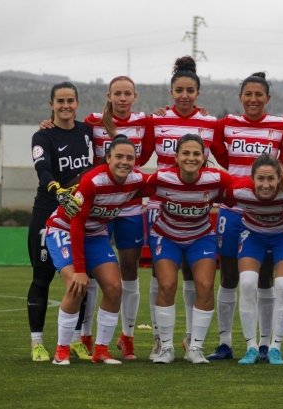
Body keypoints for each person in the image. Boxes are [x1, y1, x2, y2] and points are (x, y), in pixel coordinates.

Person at [207, 72, 283, 361]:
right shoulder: (226, 125)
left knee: (266, 278)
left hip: (267, 212)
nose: (253, 99)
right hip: (233, 211)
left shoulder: (280, 126)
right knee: (230, 276)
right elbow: (219, 154)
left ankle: (266, 344)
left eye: (259, 95)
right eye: (248, 94)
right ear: (240, 97)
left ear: (267, 98)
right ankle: (226, 343)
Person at [46, 136, 148, 365]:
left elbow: (164, 184)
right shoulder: (92, 180)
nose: (124, 162)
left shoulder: (137, 180)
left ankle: (101, 350)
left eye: (130, 158)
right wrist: (81, 270)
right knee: (76, 286)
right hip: (65, 229)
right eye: (119, 156)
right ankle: (61, 349)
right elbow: (77, 225)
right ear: (108, 158)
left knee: (114, 287)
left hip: (96, 234)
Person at [146, 56, 220, 360]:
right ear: (171, 91)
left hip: (197, 209)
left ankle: (192, 342)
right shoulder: (157, 120)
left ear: (198, 94)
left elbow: (221, 164)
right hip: (160, 207)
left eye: (190, 90)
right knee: (162, 281)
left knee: (198, 280)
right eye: (179, 90)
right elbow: (137, 158)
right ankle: (160, 341)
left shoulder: (210, 123)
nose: (185, 95)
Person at [144, 134, 235, 364]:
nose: (191, 158)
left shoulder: (216, 178)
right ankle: (166, 347)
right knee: (166, 284)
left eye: (196, 154)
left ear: (204, 158)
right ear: (176, 157)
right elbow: (134, 187)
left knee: (205, 285)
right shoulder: (161, 178)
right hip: (167, 236)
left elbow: (240, 187)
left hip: (201, 237)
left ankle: (195, 347)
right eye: (185, 153)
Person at [82, 76, 154, 359]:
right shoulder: (93, 121)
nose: (122, 98)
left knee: (129, 272)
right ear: (109, 96)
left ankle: (128, 337)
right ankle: (86, 337)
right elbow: (73, 136)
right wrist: (49, 122)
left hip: (131, 206)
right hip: (100, 206)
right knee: (90, 274)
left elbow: (145, 154)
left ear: (135, 96)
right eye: (117, 94)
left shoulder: (145, 121)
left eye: (127, 93)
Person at [27, 82, 92, 362]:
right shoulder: (42, 136)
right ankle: (37, 343)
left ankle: (76, 340)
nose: (66, 105)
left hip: (78, 214)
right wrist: (57, 189)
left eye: (71, 100)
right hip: (48, 212)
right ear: (51, 104)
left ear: (77, 104)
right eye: (60, 101)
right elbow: (42, 169)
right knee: (42, 278)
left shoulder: (87, 131)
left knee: (81, 277)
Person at [223, 153, 283, 365]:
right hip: (253, 234)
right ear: (252, 179)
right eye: (261, 179)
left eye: (271, 179)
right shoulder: (238, 191)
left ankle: (275, 348)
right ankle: (251, 347)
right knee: (249, 283)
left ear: (280, 178)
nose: (266, 184)